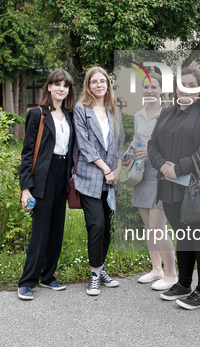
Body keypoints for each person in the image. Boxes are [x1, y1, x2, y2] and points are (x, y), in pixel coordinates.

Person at [147, 67, 200, 310]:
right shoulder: (167, 113)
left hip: (195, 188)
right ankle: (185, 283)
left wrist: (179, 168)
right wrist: (162, 167)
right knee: (183, 236)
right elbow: (153, 144)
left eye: (191, 85)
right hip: (169, 187)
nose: (185, 89)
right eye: (181, 84)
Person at [17, 69, 76, 300]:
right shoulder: (37, 114)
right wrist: (25, 188)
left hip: (63, 176)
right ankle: (27, 282)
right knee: (40, 232)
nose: (62, 89)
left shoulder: (71, 115)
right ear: (49, 87)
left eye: (66, 85)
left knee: (56, 230)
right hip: (43, 176)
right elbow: (27, 153)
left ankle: (48, 276)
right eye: (57, 84)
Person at [73, 66, 124, 296]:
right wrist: (106, 169)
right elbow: (84, 144)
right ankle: (94, 275)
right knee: (96, 225)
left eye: (103, 81)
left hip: (111, 179)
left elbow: (120, 143)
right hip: (90, 176)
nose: (99, 85)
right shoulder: (81, 109)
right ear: (88, 85)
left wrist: (118, 170)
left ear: (108, 85)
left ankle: (101, 269)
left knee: (107, 230)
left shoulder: (114, 110)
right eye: (94, 82)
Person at [123, 73, 177, 291]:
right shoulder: (138, 115)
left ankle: (172, 273)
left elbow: (173, 143)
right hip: (141, 175)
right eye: (146, 87)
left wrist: (153, 153)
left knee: (158, 227)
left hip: (161, 175)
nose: (149, 91)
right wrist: (128, 153)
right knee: (148, 227)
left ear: (161, 90)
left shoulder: (168, 114)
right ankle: (156, 269)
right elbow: (136, 141)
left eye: (153, 87)